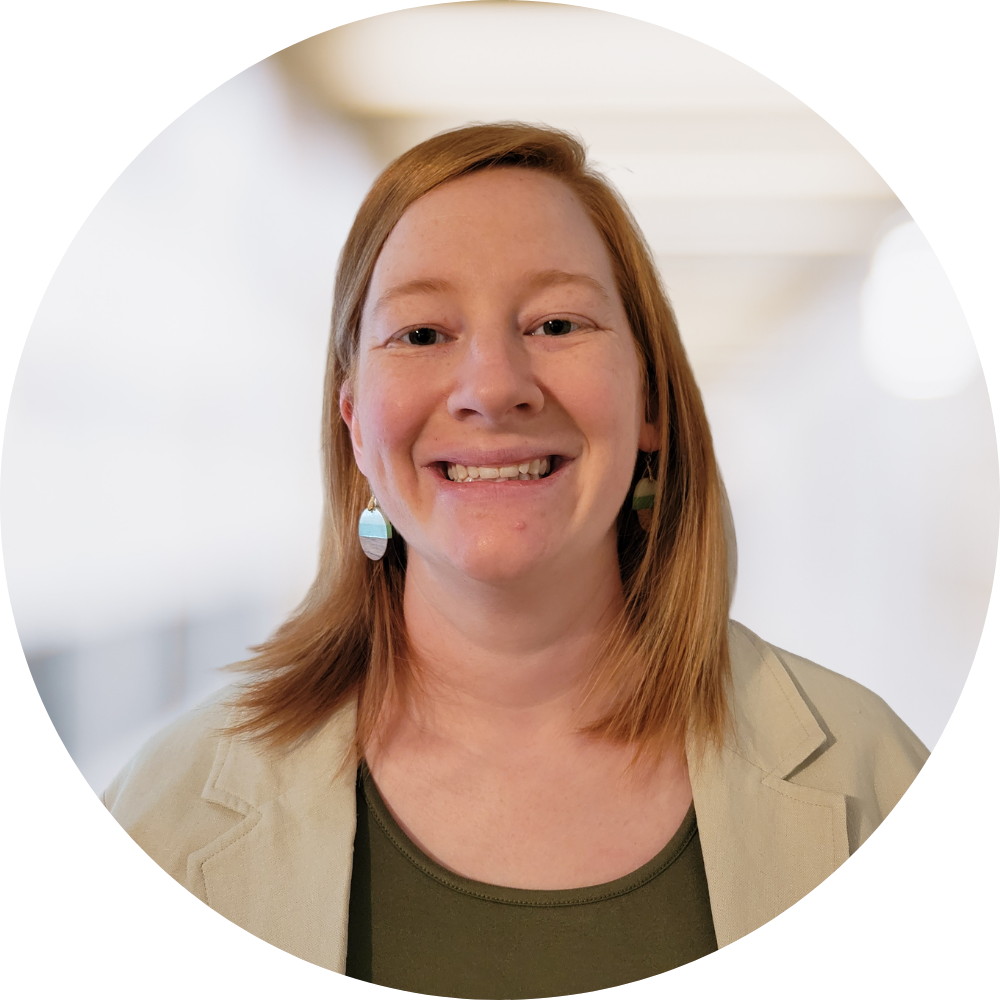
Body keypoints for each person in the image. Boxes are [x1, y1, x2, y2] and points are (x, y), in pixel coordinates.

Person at [103, 123, 927, 998]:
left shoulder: (881, 783)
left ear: (649, 402)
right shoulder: (165, 818)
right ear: (353, 423)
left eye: (557, 323)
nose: (494, 387)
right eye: (421, 334)